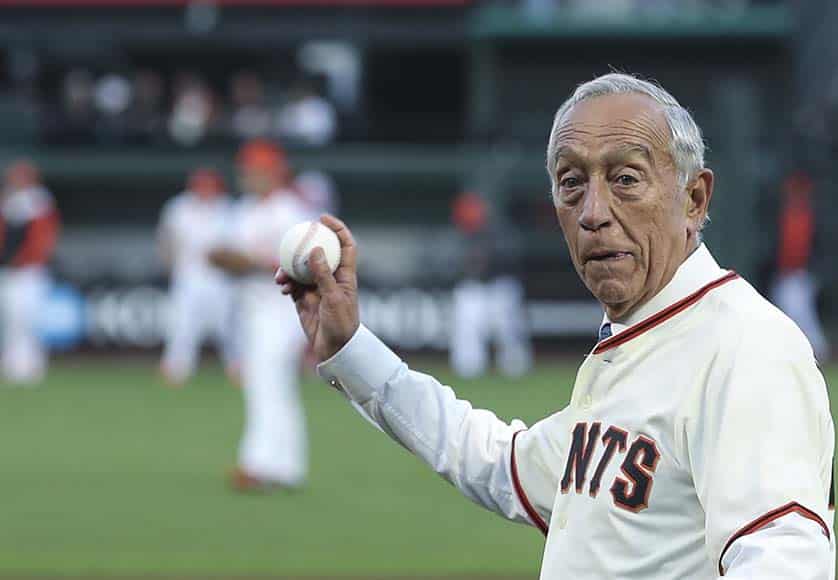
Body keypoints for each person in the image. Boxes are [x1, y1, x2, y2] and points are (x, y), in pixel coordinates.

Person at [278, 73, 836, 578]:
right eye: (571, 182)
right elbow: (502, 463)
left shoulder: (745, 347)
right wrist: (351, 349)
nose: (593, 210)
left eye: (625, 178)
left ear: (693, 199)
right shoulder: (639, 341)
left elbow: (783, 559)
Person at [210, 139, 313, 491]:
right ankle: (288, 466)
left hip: (284, 307)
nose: (250, 175)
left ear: (275, 172)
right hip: (252, 307)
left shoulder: (291, 210)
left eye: (257, 169)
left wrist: (248, 262)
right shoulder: (243, 210)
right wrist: (226, 260)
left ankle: (257, 463)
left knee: (264, 383)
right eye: (247, 169)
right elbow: (228, 257)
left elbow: (304, 263)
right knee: (275, 387)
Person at [157, 167, 237, 386]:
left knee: (230, 327)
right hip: (189, 276)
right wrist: (171, 266)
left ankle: (238, 367)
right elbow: (166, 241)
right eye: (201, 185)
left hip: (221, 279)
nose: (205, 190)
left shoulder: (228, 209)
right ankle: (176, 369)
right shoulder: (179, 207)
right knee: (182, 326)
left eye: (209, 185)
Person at [449, 191, 532, 378]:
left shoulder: (499, 231)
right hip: (473, 288)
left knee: (508, 331)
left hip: (499, 286)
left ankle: (516, 368)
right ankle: (469, 370)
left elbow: (510, 260)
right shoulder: (461, 234)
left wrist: (485, 261)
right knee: (467, 330)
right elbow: (456, 267)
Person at [0, 160, 60, 385]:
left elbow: (42, 239)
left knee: (30, 320)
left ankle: (32, 366)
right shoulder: (8, 201)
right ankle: (12, 366)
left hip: (31, 271)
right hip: (9, 272)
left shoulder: (39, 201)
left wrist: (26, 257)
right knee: (11, 321)